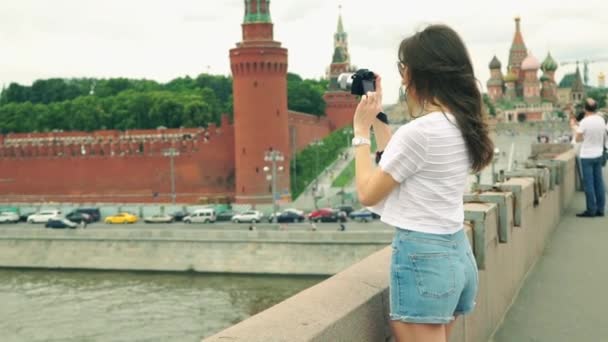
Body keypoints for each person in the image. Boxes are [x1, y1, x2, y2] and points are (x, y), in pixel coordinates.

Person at [352, 25, 494, 342]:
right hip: (456, 254)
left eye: (405, 68)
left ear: (421, 73)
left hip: (423, 258)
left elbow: (367, 192)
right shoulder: (462, 123)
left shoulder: (420, 133)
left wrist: (359, 132)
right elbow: (400, 163)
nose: (403, 77)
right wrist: (377, 118)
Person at [570, 98, 606, 217]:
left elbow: (578, 139)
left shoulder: (585, 121)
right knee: (599, 183)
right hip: (598, 154)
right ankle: (600, 209)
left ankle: (591, 210)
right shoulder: (601, 120)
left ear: (585, 109)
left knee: (588, 184)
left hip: (587, 156)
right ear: (596, 108)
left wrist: (574, 128)